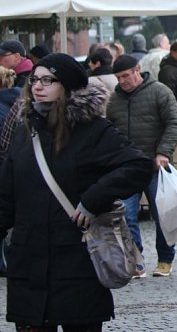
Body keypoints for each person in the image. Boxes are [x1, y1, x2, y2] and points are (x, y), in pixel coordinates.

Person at [0, 53, 151, 331]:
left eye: (48, 80)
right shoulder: (25, 130)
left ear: (67, 86)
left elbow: (137, 165)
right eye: (34, 79)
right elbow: (6, 195)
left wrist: (93, 200)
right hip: (29, 261)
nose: (37, 86)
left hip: (77, 259)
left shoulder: (92, 130)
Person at [107, 55, 177, 278]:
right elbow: (109, 131)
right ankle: (135, 259)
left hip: (155, 165)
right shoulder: (115, 100)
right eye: (118, 77)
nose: (122, 81)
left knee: (163, 216)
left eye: (125, 75)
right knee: (126, 216)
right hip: (127, 167)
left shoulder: (159, 91)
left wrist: (163, 152)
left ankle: (165, 258)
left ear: (137, 70)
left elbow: (174, 122)